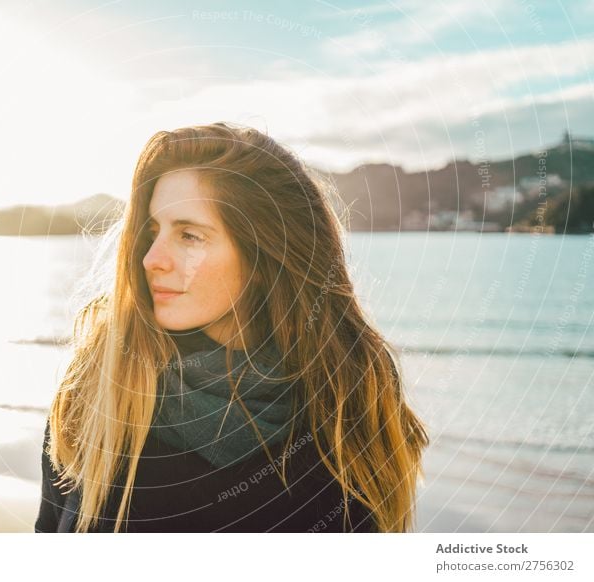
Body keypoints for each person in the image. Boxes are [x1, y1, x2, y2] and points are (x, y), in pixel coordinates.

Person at [34, 121, 429, 533]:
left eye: (189, 235)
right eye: (152, 232)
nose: (152, 258)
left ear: (264, 257)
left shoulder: (350, 400)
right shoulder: (101, 384)